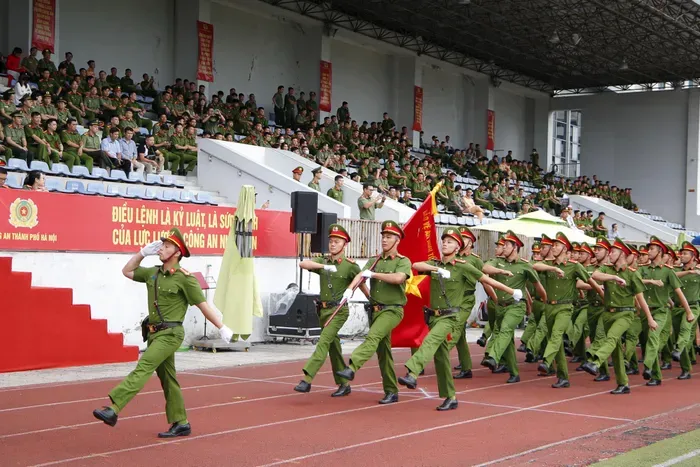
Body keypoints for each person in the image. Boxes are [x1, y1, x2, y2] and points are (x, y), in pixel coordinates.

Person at [93, 229, 234, 437]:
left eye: (166, 246)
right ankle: (181, 422)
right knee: (168, 378)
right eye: (162, 245)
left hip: (171, 334)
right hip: (154, 334)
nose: (161, 249)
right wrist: (142, 253)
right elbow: (127, 271)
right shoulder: (152, 273)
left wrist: (221, 327)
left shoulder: (185, 279)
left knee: (144, 366)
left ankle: (114, 408)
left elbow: (203, 306)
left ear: (177, 253)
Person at [398, 228, 522, 410]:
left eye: (450, 242)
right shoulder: (435, 263)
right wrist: (437, 269)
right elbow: (416, 265)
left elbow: (486, 280)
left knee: (430, 340)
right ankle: (451, 397)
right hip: (433, 316)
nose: (445, 244)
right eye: (444, 241)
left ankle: (413, 373)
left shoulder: (463, 266)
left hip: (450, 316)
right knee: (442, 359)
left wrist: (512, 292)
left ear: (458, 247)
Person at [335, 220, 411, 405]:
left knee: (372, 337)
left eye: (389, 237)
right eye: (383, 236)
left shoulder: (403, 261)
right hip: (376, 310)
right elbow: (360, 276)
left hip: (392, 310)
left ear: (397, 240)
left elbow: (398, 278)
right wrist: (350, 290)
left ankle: (352, 366)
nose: (385, 240)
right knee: (383, 353)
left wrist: (374, 275)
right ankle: (391, 391)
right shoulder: (374, 260)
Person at [294, 224, 367, 396]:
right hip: (323, 310)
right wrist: (323, 267)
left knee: (323, 342)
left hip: (339, 310)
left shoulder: (350, 266)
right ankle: (344, 384)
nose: (332, 244)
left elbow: (361, 283)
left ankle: (307, 379)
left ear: (345, 244)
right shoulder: (324, 262)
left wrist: (371, 299)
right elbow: (303, 263)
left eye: (336, 241)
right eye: (331, 241)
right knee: (333, 348)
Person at [582, 238, 658, 394]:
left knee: (610, 338)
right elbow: (595, 275)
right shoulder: (607, 269)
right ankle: (623, 384)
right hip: (608, 313)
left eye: (613, 252)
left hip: (625, 313)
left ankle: (595, 362)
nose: (610, 254)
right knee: (616, 351)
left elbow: (640, 298)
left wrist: (650, 318)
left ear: (622, 254)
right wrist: (613, 278)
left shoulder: (632, 274)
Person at [533, 232, 603, 388]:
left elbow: (590, 281)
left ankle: (546, 361)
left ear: (564, 248)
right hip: (549, 306)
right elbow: (535, 266)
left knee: (557, 334)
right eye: (553, 245)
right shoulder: (549, 264)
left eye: (556, 245)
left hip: (565, 307)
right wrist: (552, 268)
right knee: (556, 343)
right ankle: (563, 377)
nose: (553, 248)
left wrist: (602, 294)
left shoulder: (574, 266)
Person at [482, 230, 547, 383]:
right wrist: (500, 271)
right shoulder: (497, 261)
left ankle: (493, 356)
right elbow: (485, 269)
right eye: (502, 245)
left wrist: (545, 301)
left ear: (515, 247)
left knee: (504, 329)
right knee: (508, 339)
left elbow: (538, 286)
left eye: (506, 245)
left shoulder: (525, 265)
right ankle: (514, 372)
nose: (503, 248)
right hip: (500, 306)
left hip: (516, 306)